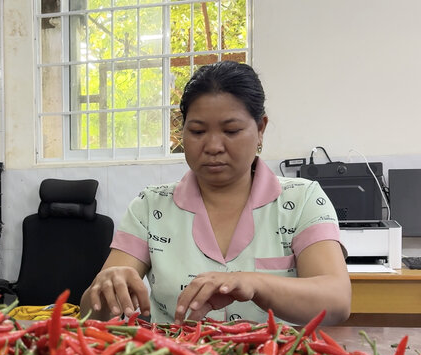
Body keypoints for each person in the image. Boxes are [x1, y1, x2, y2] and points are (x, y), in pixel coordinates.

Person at [81, 61, 351, 326]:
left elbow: (337, 301)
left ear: (260, 130)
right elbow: (91, 315)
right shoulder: (150, 206)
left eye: (231, 131)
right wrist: (106, 289)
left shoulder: (302, 200)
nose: (212, 146)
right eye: (197, 131)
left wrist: (254, 283)